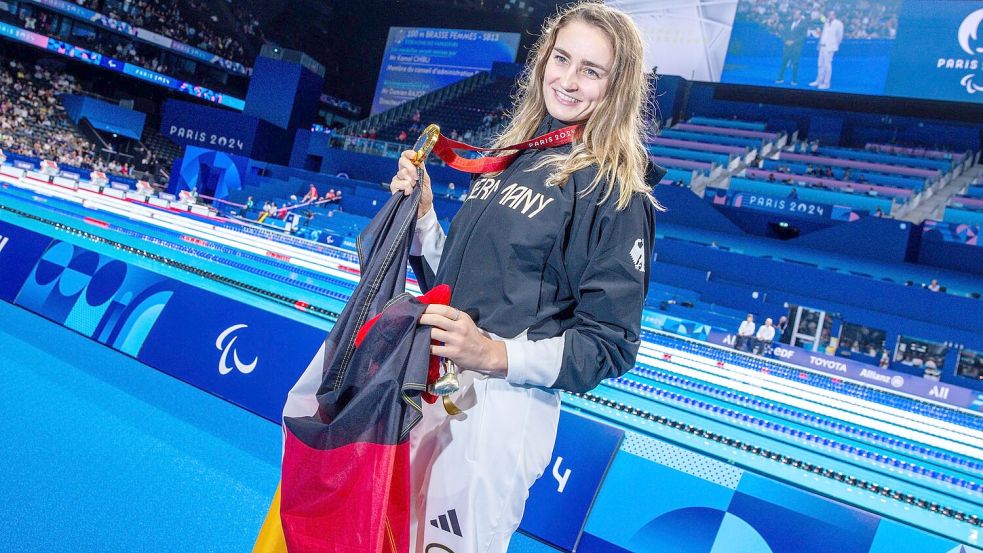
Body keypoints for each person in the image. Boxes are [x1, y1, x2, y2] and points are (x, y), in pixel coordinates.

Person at [388, 3, 662, 551]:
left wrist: (492, 353)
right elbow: (460, 285)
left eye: (591, 70)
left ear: (619, 85)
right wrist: (422, 219)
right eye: (561, 59)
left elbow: (609, 345)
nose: (568, 79)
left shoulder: (616, 192)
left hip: (498, 417)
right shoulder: (512, 157)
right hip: (432, 390)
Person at [810, 10, 843, 90]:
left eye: (832, 14)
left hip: (830, 48)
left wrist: (834, 45)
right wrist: (819, 44)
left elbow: (839, 37)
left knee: (827, 66)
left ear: (835, 15)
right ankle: (818, 81)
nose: (830, 16)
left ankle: (826, 83)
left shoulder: (838, 23)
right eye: (829, 14)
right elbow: (824, 34)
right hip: (822, 46)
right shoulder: (826, 22)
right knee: (820, 64)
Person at [775, 10, 808, 86]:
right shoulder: (789, 22)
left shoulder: (804, 24)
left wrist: (793, 42)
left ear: (800, 15)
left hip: (796, 47)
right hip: (787, 46)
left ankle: (794, 80)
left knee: (795, 64)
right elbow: (784, 33)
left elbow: (803, 37)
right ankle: (780, 78)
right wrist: (785, 41)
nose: (794, 16)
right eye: (794, 14)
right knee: (784, 62)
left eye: (796, 14)